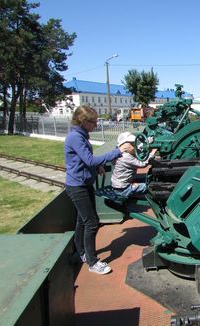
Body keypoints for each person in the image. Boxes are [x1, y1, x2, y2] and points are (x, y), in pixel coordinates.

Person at [64, 105, 133, 275]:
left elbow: (84, 162)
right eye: (93, 122)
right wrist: (118, 151)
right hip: (77, 186)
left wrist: (98, 167)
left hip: (83, 183)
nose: (96, 125)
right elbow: (89, 160)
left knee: (82, 221)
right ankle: (93, 262)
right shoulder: (75, 137)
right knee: (92, 222)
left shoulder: (81, 135)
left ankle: (81, 253)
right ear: (83, 121)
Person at [111, 132, 157, 197]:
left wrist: (148, 141)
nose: (134, 146)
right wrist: (152, 153)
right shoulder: (125, 157)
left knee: (146, 178)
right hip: (123, 189)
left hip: (119, 185)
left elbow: (138, 148)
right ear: (124, 146)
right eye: (132, 144)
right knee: (149, 186)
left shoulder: (120, 152)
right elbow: (142, 164)